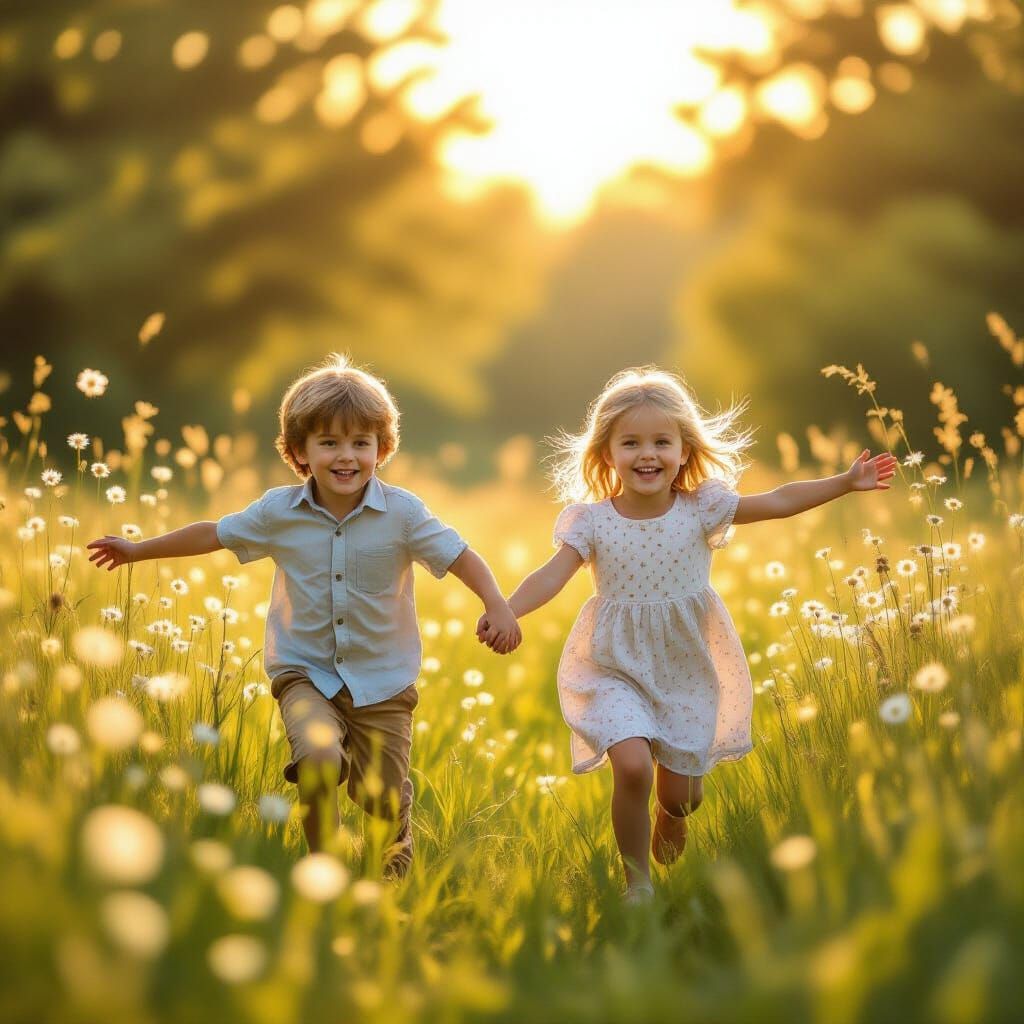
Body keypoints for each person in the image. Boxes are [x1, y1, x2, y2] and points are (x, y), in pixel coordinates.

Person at [88, 354, 521, 877]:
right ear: (299, 452)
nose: (347, 456)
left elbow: (459, 556)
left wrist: (496, 603)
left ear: (382, 449)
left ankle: (391, 856)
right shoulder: (278, 512)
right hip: (305, 673)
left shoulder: (403, 514)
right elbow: (213, 532)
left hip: (383, 681)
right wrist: (138, 550)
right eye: (329, 443)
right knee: (318, 763)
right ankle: (326, 873)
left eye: (361, 443)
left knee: (380, 796)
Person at [479, 366, 896, 902]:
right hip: (614, 666)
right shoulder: (591, 522)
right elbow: (551, 575)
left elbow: (778, 500)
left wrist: (843, 482)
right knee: (631, 767)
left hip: (685, 666)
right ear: (607, 453)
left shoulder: (702, 508)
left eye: (661, 442)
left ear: (683, 449)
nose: (646, 454)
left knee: (682, 797)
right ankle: (638, 888)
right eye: (630, 443)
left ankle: (671, 817)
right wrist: (507, 610)